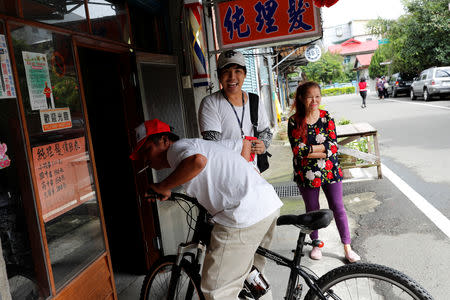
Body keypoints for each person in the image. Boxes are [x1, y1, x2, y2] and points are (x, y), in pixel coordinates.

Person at [129, 119, 282, 300]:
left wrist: (163, 185)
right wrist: (168, 188)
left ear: (164, 140)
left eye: (147, 150)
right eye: (142, 156)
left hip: (244, 214)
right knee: (251, 276)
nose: (146, 159)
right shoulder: (196, 145)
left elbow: (197, 162)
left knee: (216, 291)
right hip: (267, 204)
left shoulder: (175, 150)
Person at [287, 81, 360, 263]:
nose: (314, 100)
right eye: (310, 96)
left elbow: (333, 147)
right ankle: (316, 243)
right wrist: (321, 150)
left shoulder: (326, 117)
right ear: (302, 98)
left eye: (317, 96)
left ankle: (347, 246)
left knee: (338, 207)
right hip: (307, 173)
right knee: (312, 210)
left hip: (330, 171)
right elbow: (298, 150)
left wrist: (311, 150)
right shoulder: (294, 121)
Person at [198, 49, 272, 171]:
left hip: (254, 169)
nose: (232, 77)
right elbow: (213, 145)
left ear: (245, 74)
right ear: (219, 76)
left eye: (237, 71)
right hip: (226, 170)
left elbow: (266, 132)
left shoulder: (254, 100)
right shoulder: (210, 103)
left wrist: (263, 144)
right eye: (226, 72)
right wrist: (244, 147)